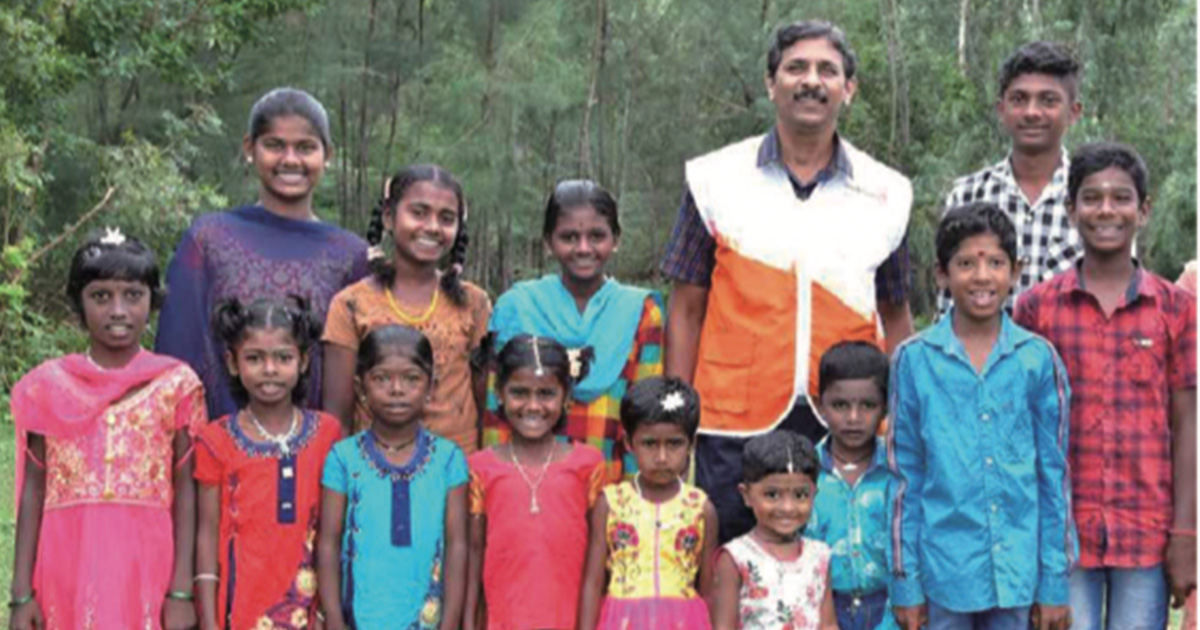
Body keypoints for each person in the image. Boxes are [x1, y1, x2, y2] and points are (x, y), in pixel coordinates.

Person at [660, 20, 913, 544]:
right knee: (730, 564)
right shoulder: (715, 179)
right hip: (733, 419)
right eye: (796, 67)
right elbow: (685, 308)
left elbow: (896, 313)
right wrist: (676, 417)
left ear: (849, 88)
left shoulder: (887, 192)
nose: (811, 81)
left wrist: (903, 418)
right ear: (771, 83)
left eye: (827, 70)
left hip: (845, 417)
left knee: (842, 566)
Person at [1014, 142, 1196, 629]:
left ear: (1144, 210)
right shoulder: (1037, 309)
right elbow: (1021, 429)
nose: (1107, 210)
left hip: (1146, 530)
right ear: (1071, 210)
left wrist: (1187, 532)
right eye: (1092, 198)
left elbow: (1187, 424)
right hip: (1062, 536)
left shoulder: (1176, 309)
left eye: (1121, 198)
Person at [889, 202, 1075, 630]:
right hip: (943, 574)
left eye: (995, 262)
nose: (982, 276)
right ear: (942, 274)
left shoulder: (1038, 359)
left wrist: (1054, 582)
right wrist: (906, 583)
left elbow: (1054, 477)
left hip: (1018, 575)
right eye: (966, 264)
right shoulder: (914, 361)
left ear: (1015, 271)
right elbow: (905, 480)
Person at [9, 228, 206, 630]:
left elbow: (187, 489)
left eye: (133, 295)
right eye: (101, 296)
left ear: (152, 301)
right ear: (78, 305)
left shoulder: (176, 384)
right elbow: (33, 489)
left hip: (146, 562)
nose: (118, 310)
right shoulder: (46, 387)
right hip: (68, 559)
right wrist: (21, 594)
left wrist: (181, 590)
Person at [156, 87, 369, 420]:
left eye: (305, 147)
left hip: (316, 445)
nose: (290, 160)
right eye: (274, 145)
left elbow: (360, 373)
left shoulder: (350, 255)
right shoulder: (209, 239)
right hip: (218, 441)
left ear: (327, 154)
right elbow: (178, 352)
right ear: (249, 148)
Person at [485, 179, 663, 481]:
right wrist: (496, 483)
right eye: (569, 237)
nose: (583, 248)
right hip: (528, 487)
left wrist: (636, 495)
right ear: (548, 242)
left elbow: (646, 417)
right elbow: (496, 412)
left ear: (615, 239)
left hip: (610, 486)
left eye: (597, 236)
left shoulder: (640, 312)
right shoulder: (517, 307)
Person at [194, 297, 342, 629]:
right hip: (241, 608)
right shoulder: (215, 440)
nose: (270, 369)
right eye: (255, 358)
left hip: (308, 608)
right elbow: (207, 534)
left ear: (303, 361)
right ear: (233, 363)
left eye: (283, 358)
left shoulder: (327, 434)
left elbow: (333, 531)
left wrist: (327, 612)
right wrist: (209, 620)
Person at [323, 164, 491, 453]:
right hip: (375, 468)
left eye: (446, 218)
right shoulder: (351, 304)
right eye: (419, 213)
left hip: (458, 470)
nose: (433, 227)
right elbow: (338, 419)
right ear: (389, 217)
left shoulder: (474, 303)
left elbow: (485, 405)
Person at [316, 325, 468, 630]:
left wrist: (451, 622)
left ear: (431, 387)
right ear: (361, 388)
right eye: (381, 378)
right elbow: (328, 542)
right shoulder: (343, 458)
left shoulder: (449, 459)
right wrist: (333, 617)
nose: (396, 389)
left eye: (411, 379)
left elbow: (458, 545)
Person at [465, 335, 606, 630]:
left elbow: (598, 560)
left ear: (566, 397)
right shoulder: (480, 468)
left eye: (546, 394)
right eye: (519, 392)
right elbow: (474, 556)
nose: (533, 405)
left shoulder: (588, 465)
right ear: (499, 393)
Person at [940, 41, 1083, 314]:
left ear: (1073, 112)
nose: (1032, 112)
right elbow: (948, 303)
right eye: (1019, 99)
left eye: (1048, 101)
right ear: (1001, 109)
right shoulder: (967, 195)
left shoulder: (1095, 202)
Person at [576, 377, 719, 630]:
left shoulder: (700, 508)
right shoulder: (611, 503)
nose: (662, 457)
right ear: (629, 443)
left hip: (684, 622)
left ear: (691, 444)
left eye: (674, 444)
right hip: (622, 621)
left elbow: (708, 589)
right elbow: (593, 584)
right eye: (650, 444)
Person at [807, 341, 896, 630]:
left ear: (886, 407)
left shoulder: (898, 471)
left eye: (868, 405)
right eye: (840, 405)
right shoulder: (804, 474)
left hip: (891, 609)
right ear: (820, 406)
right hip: (821, 609)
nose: (854, 418)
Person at [711, 431, 837, 630]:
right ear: (746, 495)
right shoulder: (736, 558)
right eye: (772, 495)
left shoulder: (820, 556)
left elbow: (828, 624)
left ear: (814, 495)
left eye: (800, 495)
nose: (787, 507)